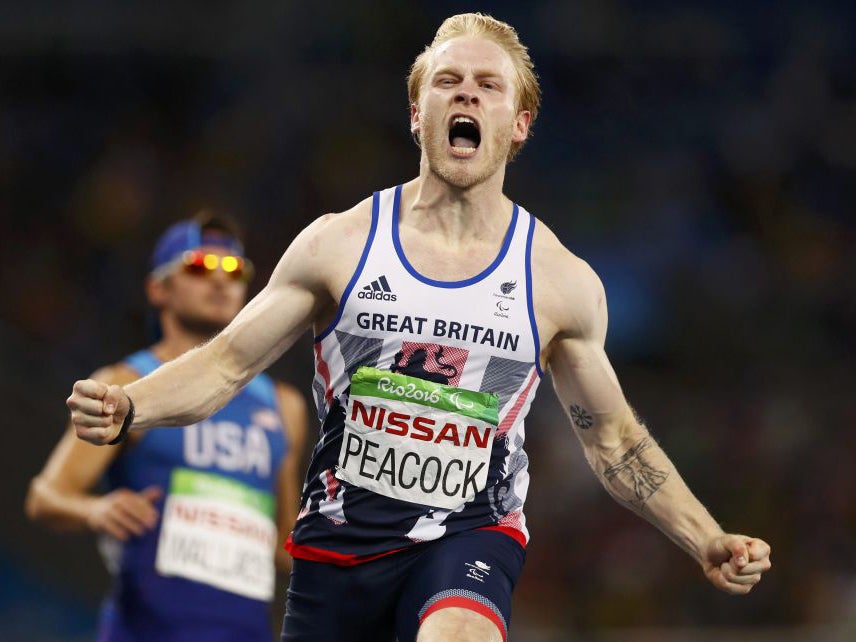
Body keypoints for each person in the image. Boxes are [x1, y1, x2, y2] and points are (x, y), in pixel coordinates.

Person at [66, 13, 772, 642]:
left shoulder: (559, 282)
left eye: (489, 86)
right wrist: (134, 406)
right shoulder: (336, 245)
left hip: (466, 536)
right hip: (336, 548)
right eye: (449, 81)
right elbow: (223, 366)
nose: (467, 94)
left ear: (519, 122)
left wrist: (704, 535)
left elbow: (614, 440)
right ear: (417, 111)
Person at [29, 212, 308, 642]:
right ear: (158, 288)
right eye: (199, 267)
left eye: (234, 270)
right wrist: (96, 510)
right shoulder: (125, 386)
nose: (220, 281)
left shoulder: (284, 405)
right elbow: (45, 496)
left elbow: (285, 542)